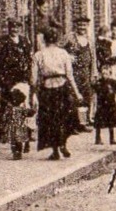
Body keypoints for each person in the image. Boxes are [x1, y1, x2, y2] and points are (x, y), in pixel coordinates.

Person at [32, 28, 83, 160]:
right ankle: (63, 144)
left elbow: (34, 78)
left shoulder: (38, 55)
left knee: (50, 120)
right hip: (62, 88)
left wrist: (34, 94)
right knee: (65, 117)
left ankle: (55, 150)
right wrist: (77, 93)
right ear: (56, 40)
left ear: (44, 39)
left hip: (47, 89)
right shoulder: (63, 53)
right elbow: (70, 75)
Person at [0, 18, 32, 138]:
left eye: (17, 27)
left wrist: (28, 73)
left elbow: (28, 58)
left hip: (22, 77)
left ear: (20, 29)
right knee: (8, 104)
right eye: (12, 27)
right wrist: (1, 77)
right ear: (9, 29)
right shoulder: (2, 42)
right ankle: (5, 131)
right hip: (7, 78)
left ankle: (25, 130)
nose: (14, 30)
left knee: (23, 103)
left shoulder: (24, 41)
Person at [69, 18, 97, 131]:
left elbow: (93, 57)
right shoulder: (70, 38)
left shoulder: (89, 40)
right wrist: (68, 56)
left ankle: (84, 122)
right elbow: (61, 50)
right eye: (79, 25)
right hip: (74, 71)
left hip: (86, 71)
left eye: (84, 25)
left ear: (87, 26)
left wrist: (94, 73)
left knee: (86, 96)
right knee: (74, 96)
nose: (81, 27)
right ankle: (74, 124)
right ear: (76, 25)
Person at [93, 54, 116, 145]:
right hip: (101, 104)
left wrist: (114, 92)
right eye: (103, 74)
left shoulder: (112, 82)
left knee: (111, 121)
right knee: (99, 121)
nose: (104, 75)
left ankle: (112, 138)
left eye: (106, 74)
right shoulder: (99, 82)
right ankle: (97, 138)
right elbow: (94, 87)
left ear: (109, 73)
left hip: (110, 104)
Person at [3, 84, 34, 159]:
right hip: (20, 126)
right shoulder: (21, 109)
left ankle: (15, 152)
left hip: (12, 127)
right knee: (19, 141)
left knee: (13, 141)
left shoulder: (9, 109)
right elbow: (29, 113)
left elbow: (5, 117)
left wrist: (5, 122)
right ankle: (18, 152)